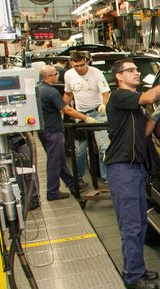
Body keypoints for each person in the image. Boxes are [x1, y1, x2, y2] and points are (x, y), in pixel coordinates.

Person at [105, 58, 160, 289]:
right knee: (131, 226)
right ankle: (133, 276)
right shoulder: (119, 96)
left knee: (140, 223)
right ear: (119, 77)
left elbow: (144, 132)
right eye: (129, 70)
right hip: (121, 169)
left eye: (136, 69)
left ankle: (138, 269)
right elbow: (149, 97)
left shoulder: (133, 105)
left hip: (135, 170)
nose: (135, 73)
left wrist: (154, 118)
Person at [37, 65, 98, 201]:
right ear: (47, 77)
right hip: (53, 131)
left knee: (60, 159)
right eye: (55, 74)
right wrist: (85, 118)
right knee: (54, 162)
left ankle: (71, 183)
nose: (57, 75)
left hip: (44, 130)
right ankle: (52, 192)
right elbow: (67, 110)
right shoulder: (51, 92)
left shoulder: (39, 89)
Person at [63, 51, 111, 182]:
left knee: (104, 146)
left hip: (97, 113)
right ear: (71, 64)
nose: (79, 68)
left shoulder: (96, 73)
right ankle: (78, 177)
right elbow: (68, 94)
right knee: (79, 149)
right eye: (76, 66)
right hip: (80, 115)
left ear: (86, 62)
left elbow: (106, 93)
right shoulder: (68, 75)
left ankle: (107, 176)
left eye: (81, 65)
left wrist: (104, 105)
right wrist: (62, 108)